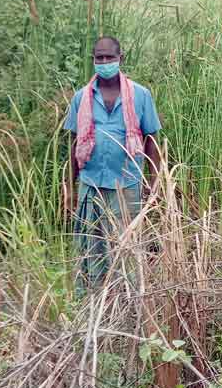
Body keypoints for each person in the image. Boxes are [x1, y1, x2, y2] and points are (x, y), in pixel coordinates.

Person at [63, 36, 162, 289]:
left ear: (121, 58)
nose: (104, 62)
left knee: (125, 251)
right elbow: (74, 145)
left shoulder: (140, 95)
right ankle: (93, 308)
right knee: (90, 250)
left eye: (109, 57)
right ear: (93, 60)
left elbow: (150, 141)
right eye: (99, 58)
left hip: (126, 185)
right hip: (90, 185)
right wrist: (70, 189)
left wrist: (154, 184)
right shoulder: (81, 98)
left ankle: (125, 306)